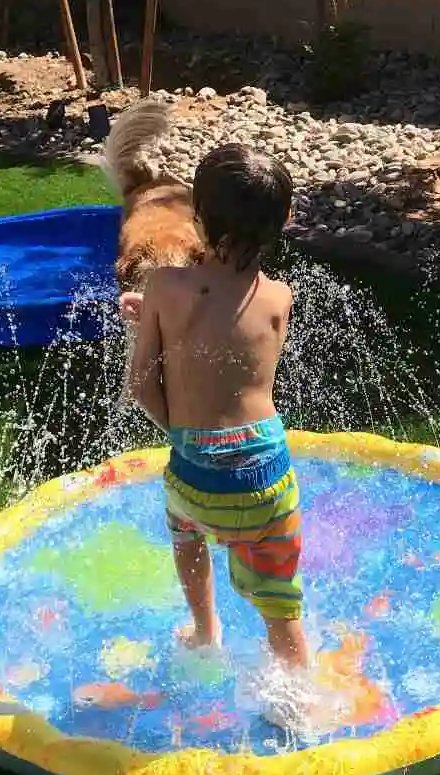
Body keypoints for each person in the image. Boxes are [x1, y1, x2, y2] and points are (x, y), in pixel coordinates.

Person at [123, 144, 319, 725]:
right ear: (284, 224)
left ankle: (205, 633)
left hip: (194, 478)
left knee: (185, 533)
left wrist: (185, 435)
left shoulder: (162, 286)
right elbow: (237, 359)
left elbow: (144, 385)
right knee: (281, 604)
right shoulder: (281, 298)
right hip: (264, 475)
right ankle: (299, 705)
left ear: (198, 218)